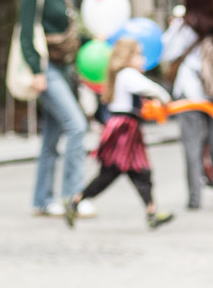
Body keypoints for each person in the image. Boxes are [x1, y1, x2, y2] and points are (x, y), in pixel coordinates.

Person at [64, 37, 175, 230]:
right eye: (138, 55)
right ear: (127, 57)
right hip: (124, 129)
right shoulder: (128, 74)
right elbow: (150, 88)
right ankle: (76, 200)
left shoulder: (121, 75)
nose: (142, 60)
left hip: (126, 128)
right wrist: (165, 98)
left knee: (136, 171)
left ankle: (151, 211)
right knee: (119, 172)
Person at [20, 0, 88, 217]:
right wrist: (36, 70)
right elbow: (25, 32)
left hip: (65, 68)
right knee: (77, 127)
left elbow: (74, 31)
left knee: (51, 138)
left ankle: (42, 200)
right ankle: (72, 196)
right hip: (46, 68)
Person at [160, 0, 213, 210]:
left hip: (190, 95)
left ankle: (194, 199)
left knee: (192, 148)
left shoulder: (184, 26)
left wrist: (174, 25)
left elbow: (166, 52)